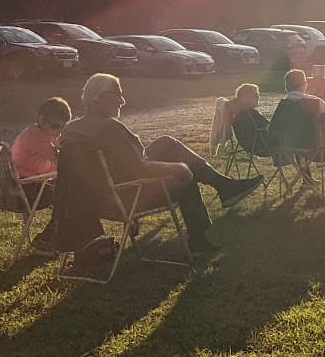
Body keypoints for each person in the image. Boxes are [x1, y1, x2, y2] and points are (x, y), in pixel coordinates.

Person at [53, 73, 264, 257]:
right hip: (126, 197)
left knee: (166, 143)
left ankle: (223, 185)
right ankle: (200, 239)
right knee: (185, 176)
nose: (123, 101)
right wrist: (178, 168)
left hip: (96, 199)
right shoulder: (109, 129)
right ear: (97, 97)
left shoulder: (73, 130)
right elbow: (138, 169)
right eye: (117, 94)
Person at [10, 96, 71, 181]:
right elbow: (59, 162)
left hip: (27, 180)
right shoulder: (35, 138)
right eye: (55, 126)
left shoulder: (38, 132)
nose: (59, 131)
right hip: (28, 184)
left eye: (63, 127)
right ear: (42, 120)